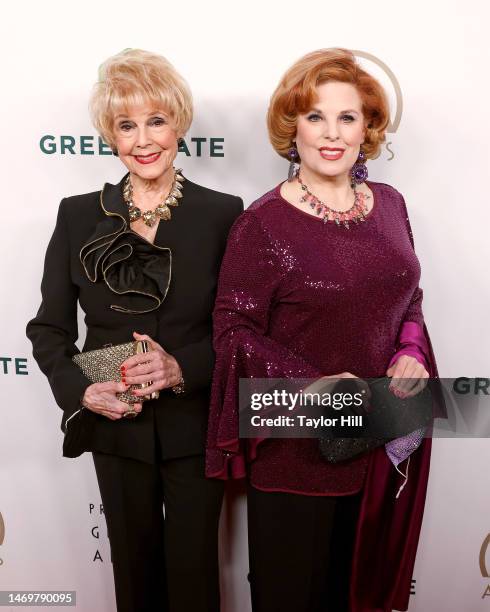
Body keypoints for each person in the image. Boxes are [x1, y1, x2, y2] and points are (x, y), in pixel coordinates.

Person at [206, 48, 441, 612]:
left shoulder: (390, 204)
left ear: (368, 127)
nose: (331, 134)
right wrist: (311, 382)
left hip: (384, 436)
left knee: (359, 595)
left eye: (347, 117)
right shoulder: (261, 223)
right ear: (294, 129)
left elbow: (409, 296)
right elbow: (231, 330)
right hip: (297, 448)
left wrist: (412, 350)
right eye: (315, 117)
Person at [26, 49, 243, 612]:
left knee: (196, 577)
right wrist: (80, 391)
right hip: (113, 426)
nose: (144, 140)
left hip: (195, 425)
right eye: (127, 125)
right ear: (109, 135)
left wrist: (180, 367)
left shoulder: (223, 213)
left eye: (156, 121)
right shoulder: (77, 215)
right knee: (134, 579)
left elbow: (239, 331)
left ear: (179, 125)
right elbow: (49, 328)